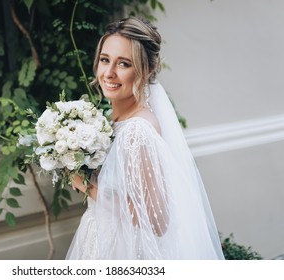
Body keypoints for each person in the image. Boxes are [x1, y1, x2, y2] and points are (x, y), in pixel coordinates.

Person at [66, 17, 224, 259]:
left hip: (124, 251)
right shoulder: (110, 121)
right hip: (101, 237)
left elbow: (157, 219)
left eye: (124, 64)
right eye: (105, 60)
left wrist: (87, 186)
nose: (108, 73)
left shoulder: (136, 132)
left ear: (146, 70)